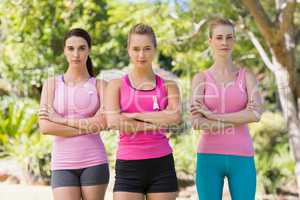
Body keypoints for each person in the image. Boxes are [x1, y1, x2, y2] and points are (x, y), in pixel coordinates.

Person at [105, 23, 182, 200]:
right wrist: (158, 120)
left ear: (155, 50)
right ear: (128, 50)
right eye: (136, 49)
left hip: (162, 164)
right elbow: (114, 122)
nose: (141, 55)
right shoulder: (115, 85)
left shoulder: (169, 86)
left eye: (147, 48)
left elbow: (175, 117)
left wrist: (134, 115)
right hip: (128, 165)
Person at [190, 18, 263, 200]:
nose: (224, 42)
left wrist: (212, 115)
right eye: (219, 37)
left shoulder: (247, 77)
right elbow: (196, 122)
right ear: (210, 41)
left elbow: (255, 114)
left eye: (229, 37)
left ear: (234, 40)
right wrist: (239, 117)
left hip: (242, 156)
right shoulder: (201, 78)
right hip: (208, 157)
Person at [39, 28, 109, 200]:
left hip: (94, 160)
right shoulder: (51, 84)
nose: (76, 54)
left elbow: (103, 123)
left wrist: (60, 120)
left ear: (89, 50)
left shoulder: (101, 85)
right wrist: (88, 126)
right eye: (71, 48)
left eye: (81, 48)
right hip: (62, 163)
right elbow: (46, 126)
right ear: (64, 50)